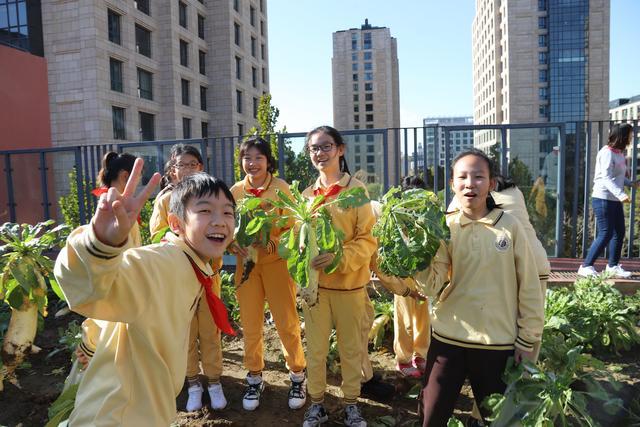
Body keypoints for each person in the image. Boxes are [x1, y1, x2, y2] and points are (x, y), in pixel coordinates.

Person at [53, 163, 236, 426]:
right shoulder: (161, 263)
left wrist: (92, 341)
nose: (220, 220)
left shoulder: (191, 265)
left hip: (142, 408)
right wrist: (100, 243)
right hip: (118, 415)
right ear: (175, 224)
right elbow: (85, 286)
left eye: (228, 212)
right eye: (205, 210)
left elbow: (121, 301)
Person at [415, 149, 544, 426]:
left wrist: (527, 339)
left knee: (499, 421)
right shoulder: (443, 226)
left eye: (478, 177)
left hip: (496, 343)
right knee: (431, 416)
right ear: (452, 184)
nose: (469, 183)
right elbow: (432, 285)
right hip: (448, 338)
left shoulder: (509, 227)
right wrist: (417, 256)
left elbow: (529, 287)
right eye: (462, 177)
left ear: (491, 184)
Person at [448, 173, 551, 424]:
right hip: (537, 266)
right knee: (526, 342)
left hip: (511, 268)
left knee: (494, 343)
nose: (470, 182)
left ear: (489, 182)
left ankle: (485, 414)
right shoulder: (515, 193)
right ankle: (505, 409)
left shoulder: (473, 196)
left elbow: (450, 223)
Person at [301, 126, 376, 427]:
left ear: (340, 150)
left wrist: (339, 257)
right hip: (316, 290)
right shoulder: (307, 196)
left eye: (325, 146)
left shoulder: (356, 191)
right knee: (315, 350)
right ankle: (316, 403)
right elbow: (299, 239)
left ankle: (351, 405)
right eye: (313, 149)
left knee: (351, 350)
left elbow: (368, 239)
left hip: (349, 287)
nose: (319, 153)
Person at [229, 137, 307, 411]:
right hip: (246, 267)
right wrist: (231, 243)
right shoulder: (236, 192)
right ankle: (254, 376)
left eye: (257, 157)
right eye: (246, 157)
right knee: (250, 324)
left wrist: (274, 243)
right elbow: (226, 225)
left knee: (286, 322)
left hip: (276, 266)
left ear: (268, 161)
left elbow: (296, 226)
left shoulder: (281, 189)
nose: (252, 163)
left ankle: (297, 374)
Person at [370, 176, 431, 379]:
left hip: (423, 273)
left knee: (424, 317)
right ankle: (403, 359)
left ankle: (421, 354)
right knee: (404, 318)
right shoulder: (393, 218)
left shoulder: (427, 215)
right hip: (402, 274)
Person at [579, 123, 638, 278]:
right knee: (606, 233)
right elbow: (605, 177)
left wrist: (630, 183)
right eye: (631, 134)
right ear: (623, 136)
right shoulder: (606, 152)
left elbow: (617, 176)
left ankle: (612, 266)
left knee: (619, 232)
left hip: (614, 199)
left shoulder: (619, 153)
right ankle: (586, 266)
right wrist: (620, 194)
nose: (632, 137)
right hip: (603, 198)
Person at [150, 144, 204, 241]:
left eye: (192, 164)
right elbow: (157, 236)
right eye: (181, 165)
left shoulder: (209, 196)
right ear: (173, 171)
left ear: (200, 168)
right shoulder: (165, 200)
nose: (187, 169)